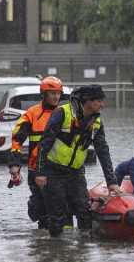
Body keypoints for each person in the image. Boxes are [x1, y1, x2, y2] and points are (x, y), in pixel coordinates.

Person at [36, 85, 119, 237]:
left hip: (76, 172)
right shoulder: (62, 113)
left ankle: (83, 248)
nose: (103, 105)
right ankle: (57, 249)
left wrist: (111, 181)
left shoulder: (96, 122)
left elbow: (103, 151)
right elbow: (44, 144)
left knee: (84, 210)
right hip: (53, 171)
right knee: (57, 215)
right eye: (99, 101)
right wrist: (40, 172)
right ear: (88, 101)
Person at [8, 76, 63, 230]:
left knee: (59, 208)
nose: (56, 97)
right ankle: (42, 240)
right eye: (52, 93)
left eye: (58, 93)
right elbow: (17, 139)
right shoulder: (32, 113)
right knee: (42, 209)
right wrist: (14, 165)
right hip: (36, 168)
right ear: (44, 94)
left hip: (59, 168)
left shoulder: (65, 113)